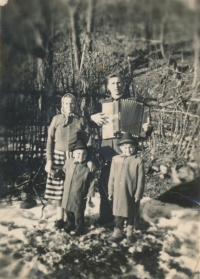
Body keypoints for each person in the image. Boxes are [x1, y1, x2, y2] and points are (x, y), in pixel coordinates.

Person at [90, 73, 152, 224]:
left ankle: (127, 218)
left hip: (126, 151)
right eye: (113, 83)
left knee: (127, 185)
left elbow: (142, 133)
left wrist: (147, 128)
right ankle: (106, 217)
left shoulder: (136, 104)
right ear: (108, 86)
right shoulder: (102, 104)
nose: (116, 86)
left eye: (119, 83)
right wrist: (92, 118)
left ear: (123, 85)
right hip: (107, 150)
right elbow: (87, 123)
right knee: (106, 182)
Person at [44, 93, 91, 229]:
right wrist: (49, 160)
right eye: (66, 103)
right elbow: (49, 141)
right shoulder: (56, 119)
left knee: (72, 188)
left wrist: (87, 157)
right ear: (62, 105)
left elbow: (88, 140)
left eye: (72, 103)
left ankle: (73, 218)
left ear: (75, 104)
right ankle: (60, 217)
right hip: (58, 156)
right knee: (58, 188)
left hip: (74, 157)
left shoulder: (80, 120)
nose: (69, 106)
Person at [108, 133, 145, 242]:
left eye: (130, 147)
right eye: (124, 147)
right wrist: (111, 191)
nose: (127, 150)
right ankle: (118, 232)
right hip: (119, 193)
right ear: (120, 148)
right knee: (119, 214)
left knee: (131, 214)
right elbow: (112, 177)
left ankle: (130, 233)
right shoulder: (116, 159)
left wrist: (138, 194)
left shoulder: (138, 161)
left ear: (135, 147)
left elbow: (141, 179)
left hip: (131, 192)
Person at [61, 138, 95, 236]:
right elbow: (64, 172)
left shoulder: (88, 167)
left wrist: (90, 194)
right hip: (68, 192)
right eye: (78, 154)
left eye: (84, 154)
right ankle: (70, 224)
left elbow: (92, 182)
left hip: (80, 192)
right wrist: (56, 173)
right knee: (68, 210)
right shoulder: (69, 162)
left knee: (78, 211)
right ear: (74, 154)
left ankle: (80, 227)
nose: (81, 156)